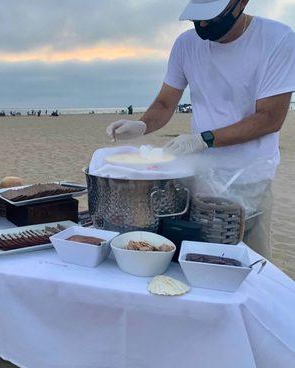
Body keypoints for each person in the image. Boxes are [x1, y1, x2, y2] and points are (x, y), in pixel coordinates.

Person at [106, 0, 295, 258]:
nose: (203, 24)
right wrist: (141, 125)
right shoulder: (186, 45)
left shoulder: (277, 39)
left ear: (241, 3)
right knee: (193, 256)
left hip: (251, 179)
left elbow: (269, 118)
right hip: (196, 177)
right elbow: (164, 103)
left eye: (212, 17)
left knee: (250, 262)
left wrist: (204, 139)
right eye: (198, 18)